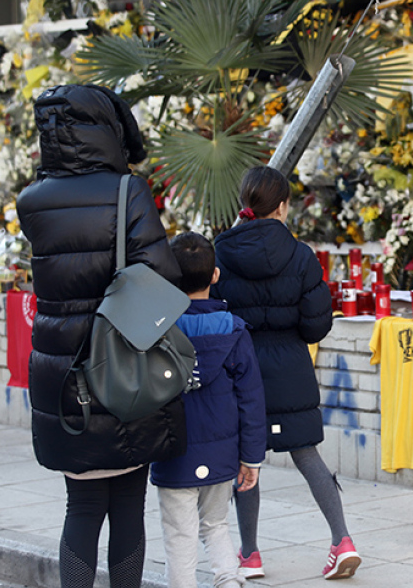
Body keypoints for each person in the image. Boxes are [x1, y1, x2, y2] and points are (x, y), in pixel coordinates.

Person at [16, 84, 187, 588]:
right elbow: (162, 276)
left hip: (62, 371)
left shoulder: (33, 201)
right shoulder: (125, 191)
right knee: (129, 502)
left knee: (82, 503)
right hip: (121, 363)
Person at [210, 165, 361, 581]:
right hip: (292, 367)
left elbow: (215, 313)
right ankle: (342, 540)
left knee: (247, 459)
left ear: (246, 204)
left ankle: (251, 554)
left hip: (241, 370)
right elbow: (318, 323)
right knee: (308, 454)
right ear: (282, 206)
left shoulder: (221, 252)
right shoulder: (300, 255)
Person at [151, 232, 267, 588]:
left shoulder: (157, 332)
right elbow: (251, 399)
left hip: (173, 450)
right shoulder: (234, 331)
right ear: (215, 275)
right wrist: (252, 458)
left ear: (168, 276)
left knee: (179, 534)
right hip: (221, 452)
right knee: (216, 525)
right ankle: (229, 582)